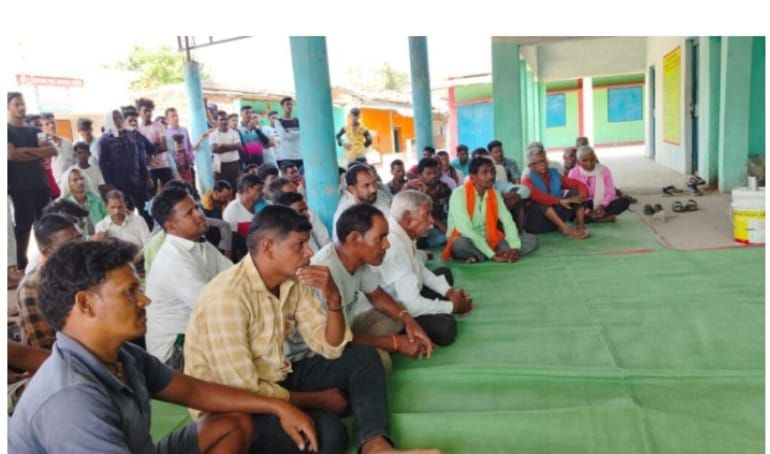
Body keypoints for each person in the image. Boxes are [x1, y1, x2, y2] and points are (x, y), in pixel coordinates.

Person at [11, 239, 320, 454]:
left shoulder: (124, 356)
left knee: (232, 422)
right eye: (130, 291)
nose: (145, 300)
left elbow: (196, 392)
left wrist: (278, 406)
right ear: (86, 304)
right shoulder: (71, 400)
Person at [184, 205, 437, 453]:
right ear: (268, 247)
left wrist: (333, 299)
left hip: (276, 375)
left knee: (363, 358)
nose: (309, 253)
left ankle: (375, 445)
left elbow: (330, 346)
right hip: (234, 409)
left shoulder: (294, 279)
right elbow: (242, 388)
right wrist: (317, 399)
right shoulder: (227, 297)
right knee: (330, 435)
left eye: (307, 243)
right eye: (299, 245)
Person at [310, 205, 435, 369]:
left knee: (400, 311)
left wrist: (410, 322)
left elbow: (377, 296)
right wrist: (395, 343)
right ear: (355, 239)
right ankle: (378, 349)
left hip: (348, 326)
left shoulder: (356, 259)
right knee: (380, 363)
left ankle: (383, 344)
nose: (387, 245)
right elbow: (335, 339)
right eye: (380, 238)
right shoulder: (326, 272)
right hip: (324, 346)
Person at [146, 187, 233, 365]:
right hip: (176, 354)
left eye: (197, 207)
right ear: (171, 226)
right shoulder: (173, 261)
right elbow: (214, 309)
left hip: (199, 336)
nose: (199, 214)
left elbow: (235, 276)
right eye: (189, 213)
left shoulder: (200, 244)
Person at [375, 190, 474, 343]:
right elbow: (411, 306)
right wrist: (453, 307)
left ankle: (434, 306)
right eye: (426, 215)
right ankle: (407, 330)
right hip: (398, 308)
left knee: (445, 274)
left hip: (410, 293)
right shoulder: (393, 243)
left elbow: (421, 269)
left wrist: (449, 292)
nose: (431, 221)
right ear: (407, 218)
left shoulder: (403, 233)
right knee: (446, 329)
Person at [444, 157, 539, 263]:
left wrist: (515, 248)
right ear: (473, 177)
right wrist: (492, 255)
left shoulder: (495, 194)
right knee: (460, 244)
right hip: (467, 239)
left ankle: (482, 256)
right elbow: (465, 229)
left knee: (531, 239)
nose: (491, 176)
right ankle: (492, 254)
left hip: (490, 239)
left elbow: (507, 221)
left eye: (493, 172)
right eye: (485, 173)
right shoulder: (459, 194)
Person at [17, 213, 83, 350]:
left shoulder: (84, 270)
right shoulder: (32, 288)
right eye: (69, 244)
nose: (79, 247)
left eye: (79, 238)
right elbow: (44, 349)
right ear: (47, 251)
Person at [7, 92, 56, 270]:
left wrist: (23, 151)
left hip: (41, 185)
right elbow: (10, 155)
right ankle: (20, 266)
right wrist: (37, 153)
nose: (21, 107)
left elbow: (51, 151)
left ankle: (50, 262)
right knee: (23, 228)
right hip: (20, 187)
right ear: (7, 107)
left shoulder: (36, 131)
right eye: (17, 104)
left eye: (23, 104)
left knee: (46, 225)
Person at [521, 142, 591, 239]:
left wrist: (581, 196)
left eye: (544, 160)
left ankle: (580, 225)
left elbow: (579, 184)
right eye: (538, 162)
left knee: (576, 191)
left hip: (557, 219)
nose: (543, 164)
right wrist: (560, 201)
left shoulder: (554, 174)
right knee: (540, 202)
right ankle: (566, 230)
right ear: (530, 166)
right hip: (538, 223)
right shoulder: (526, 180)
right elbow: (538, 196)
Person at [98, 109, 153, 228]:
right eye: (115, 118)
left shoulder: (131, 135)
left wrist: (147, 176)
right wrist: (109, 184)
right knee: (126, 210)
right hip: (119, 183)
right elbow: (103, 164)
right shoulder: (105, 140)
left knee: (146, 208)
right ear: (110, 120)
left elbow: (140, 157)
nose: (118, 120)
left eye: (120, 117)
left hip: (137, 179)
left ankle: (150, 230)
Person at [567, 145, 630, 222]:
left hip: (601, 203)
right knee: (568, 207)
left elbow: (610, 193)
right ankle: (601, 218)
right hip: (583, 204)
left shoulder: (604, 170)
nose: (589, 163)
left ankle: (590, 218)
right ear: (578, 162)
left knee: (624, 202)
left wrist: (602, 206)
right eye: (585, 160)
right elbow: (569, 195)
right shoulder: (573, 173)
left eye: (592, 159)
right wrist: (588, 211)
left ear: (595, 158)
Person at [403, 158, 452, 248]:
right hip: (422, 223)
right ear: (420, 175)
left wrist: (446, 226)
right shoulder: (413, 188)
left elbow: (451, 210)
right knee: (441, 238)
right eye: (429, 174)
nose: (433, 176)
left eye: (435, 172)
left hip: (441, 221)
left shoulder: (444, 188)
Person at [333, 165, 391, 240]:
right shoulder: (344, 215)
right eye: (366, 185)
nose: (373, 189)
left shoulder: (380, 195)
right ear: (352, 189)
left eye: (374, 183)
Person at [95, 190, 151, 254]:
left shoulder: (138, 220)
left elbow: (148, 244)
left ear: (125, 205)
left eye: (120, 207)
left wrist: (138, 257)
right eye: (112, 207)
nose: (116, 211)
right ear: (106, 207)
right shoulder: (101, 226)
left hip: (141, 256)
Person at [137, 98, 174, 190]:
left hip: (163, 165)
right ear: (139, 112)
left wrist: (150, 153)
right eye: (145, 111)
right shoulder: (138, 130)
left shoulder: (159, 126)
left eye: (149, 111)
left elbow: (164, 146)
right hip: (149, 169)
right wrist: (155, 146)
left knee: (171, 191)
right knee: (151, 193)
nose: (148, 113)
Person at [58, 167, 107, 236]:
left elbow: (107, 220)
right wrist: (90, 239)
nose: (80, 182)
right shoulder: (64, 204)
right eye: (75, 180)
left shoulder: (96, 199)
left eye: (81, 178)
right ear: (68, 184)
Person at [209, 110, 243, 191]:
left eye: (225, 119)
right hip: (220, 166)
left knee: (236, 188)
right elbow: (215, 149)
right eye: (221, 119)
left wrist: (223, 145)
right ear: (217, 121)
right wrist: (232, 147)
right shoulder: (213, 135)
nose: (224, 121)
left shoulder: (235, 133)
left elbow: (238, 146)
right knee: (221, 189)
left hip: (234, 165)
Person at [41, 112, 75, 184]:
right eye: (47, 124)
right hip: (54, 184)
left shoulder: (68, 142)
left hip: (71, 183)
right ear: (42, 127)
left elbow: (75, 162)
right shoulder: (42, 146)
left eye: (52, 122)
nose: (51, 126)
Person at [274, 97, 302, 169]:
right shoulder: (278, 121)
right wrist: (297, 133)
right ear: (282, 106)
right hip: (286, 157)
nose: (290, 106)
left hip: (299, 155)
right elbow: (284, 136)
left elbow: (303, 134)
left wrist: (290, 132)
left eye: (291, 104)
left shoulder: (298, 120)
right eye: (287, 104)